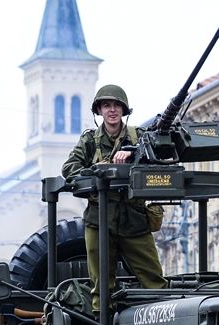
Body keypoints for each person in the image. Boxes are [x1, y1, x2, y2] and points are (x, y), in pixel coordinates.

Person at [62, 84, 167, 312]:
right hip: (100, 220)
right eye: (107, 105)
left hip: (134, 219)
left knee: (155, 281)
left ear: (124, 110)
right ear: (99, 110)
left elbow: (159, 161)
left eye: (117, 105)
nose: (112, 110)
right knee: (101, 286)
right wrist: (97, 169)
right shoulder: (90, 141)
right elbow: (70, 169)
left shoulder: (139, 137)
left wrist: (133, 152)